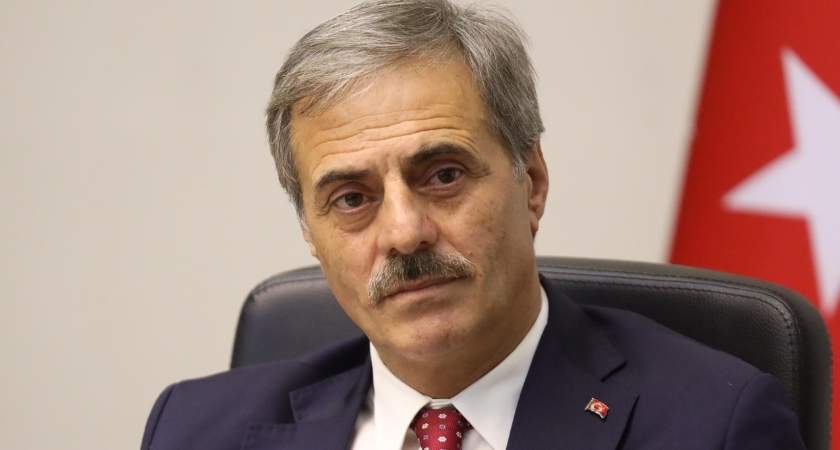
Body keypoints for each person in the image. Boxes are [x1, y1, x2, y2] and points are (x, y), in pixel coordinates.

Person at [141, 1, 806, 449]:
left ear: (532, 181)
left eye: (442, 175)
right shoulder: (195, 431)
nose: (404, 233)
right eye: (352, 198)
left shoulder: (714, 426)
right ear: (310, 234)